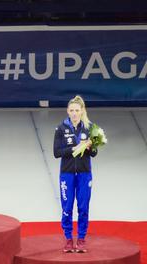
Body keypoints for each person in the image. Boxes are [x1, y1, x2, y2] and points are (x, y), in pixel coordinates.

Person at [53, 95, 97, 253]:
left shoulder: (90, 128)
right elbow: (56, 153)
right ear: (67, 111)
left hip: (85, 174)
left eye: (77, 110)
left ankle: (82, 239)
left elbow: (94, 153)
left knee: (83, 207)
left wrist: (90, 146)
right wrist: (74, 148)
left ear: (82, 111)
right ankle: (68, 239)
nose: (74, 113)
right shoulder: (61, 128)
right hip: (67, 174)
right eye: (71, 110)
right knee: (67, 207)